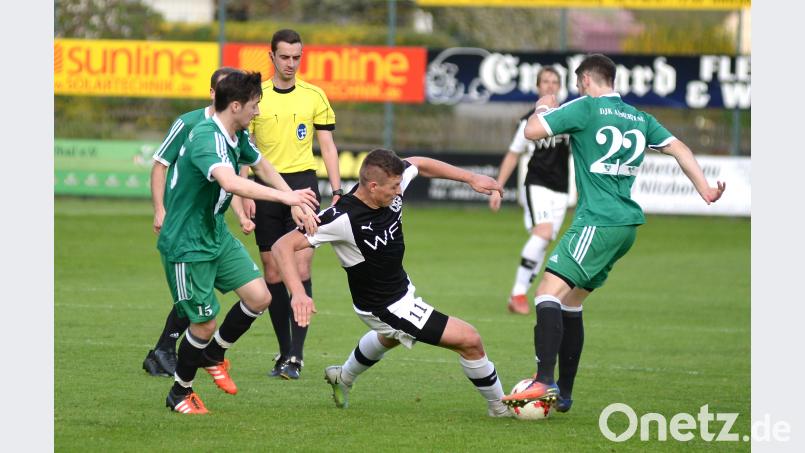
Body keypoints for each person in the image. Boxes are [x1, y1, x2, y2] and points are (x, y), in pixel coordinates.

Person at [502, 54, 725, 413]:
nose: (577, 89)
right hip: (625, 226)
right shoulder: (639, 117)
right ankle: (566, 395)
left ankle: (543, 380)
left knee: (546, 292)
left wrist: (542, 105)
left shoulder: (586, 107)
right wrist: (705, 190)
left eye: (578, 84)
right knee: (571, 302)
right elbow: (680, 148)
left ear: (586, 80)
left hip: (598, 220)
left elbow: (531, 132)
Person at [272, 149, 513, 418]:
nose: (399, 192)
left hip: (400, 290)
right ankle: (500, 408)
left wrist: (470, 178)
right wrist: (297, 293)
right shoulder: (342, 217)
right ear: (373, 186)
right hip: (383, 307)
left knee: (391, 338)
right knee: (470, 339)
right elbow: (282, 246)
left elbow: (420, 163)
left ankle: (343, 376)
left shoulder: (392, 186)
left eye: (400, 184)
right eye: (394, 187)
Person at [158, 71, 320, 414]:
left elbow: (262, 165)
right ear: (235, 106)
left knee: (260, 296)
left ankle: (214, 355)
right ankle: (179, 393)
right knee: (203, 324)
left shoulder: (236, 133)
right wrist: (287, 200)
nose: (258, 112)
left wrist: (294, 199)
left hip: (215, 233)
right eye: (254, 105)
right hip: (188, 242)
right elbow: (231, 183)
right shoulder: (206, 137)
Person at [143, 67, 255, 377]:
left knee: (213, 296)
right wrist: (159, 209)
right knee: (196, 298)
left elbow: (231, 180)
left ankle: (177, 351)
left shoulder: (235, 132)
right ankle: (168, 354)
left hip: (212, 223)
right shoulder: (190, 123)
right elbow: (160, 165)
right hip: (185, 223)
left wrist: (243, 213)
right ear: (214, 95)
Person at [245, 28, 342, 380]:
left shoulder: (314, 95)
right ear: (270, 57)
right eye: (284, 57)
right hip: (267, 190)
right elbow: (247, 149)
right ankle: (284, 351)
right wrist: (244, 194)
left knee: (300, 271)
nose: (290, 63)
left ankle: (297, 358)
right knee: (272, 273)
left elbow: (327, 146)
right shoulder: (257, 98)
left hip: (303, 188)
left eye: (296, 57)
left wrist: (336, 190)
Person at [489, 66, 572, 315]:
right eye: (545, 82)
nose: (549, 86)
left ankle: (520, 295)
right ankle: (517, 293)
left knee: (543, 242)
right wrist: (497, 187)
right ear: (538, 87)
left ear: (559, 87)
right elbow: (514, 154)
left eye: (554, 82)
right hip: (537, 184)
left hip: (561, 189)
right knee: (543, 233)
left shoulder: (568, 117)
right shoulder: (530, 120)